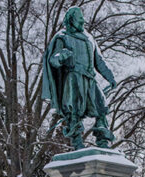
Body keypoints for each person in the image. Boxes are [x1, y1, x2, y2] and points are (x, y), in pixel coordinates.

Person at [42, 6, 117, 150]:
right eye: (79, 19)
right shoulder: (62, 37)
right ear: (71, 20)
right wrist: (60, 57)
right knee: (73, 111)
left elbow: (99, 61)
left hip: (89, 79)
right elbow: (53, 60)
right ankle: (77, 142)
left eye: (83, 19)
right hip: (73, 78)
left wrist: (110, 77)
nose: (83, 22)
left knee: (101, 107)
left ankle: (102, 140)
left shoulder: (89, 38)